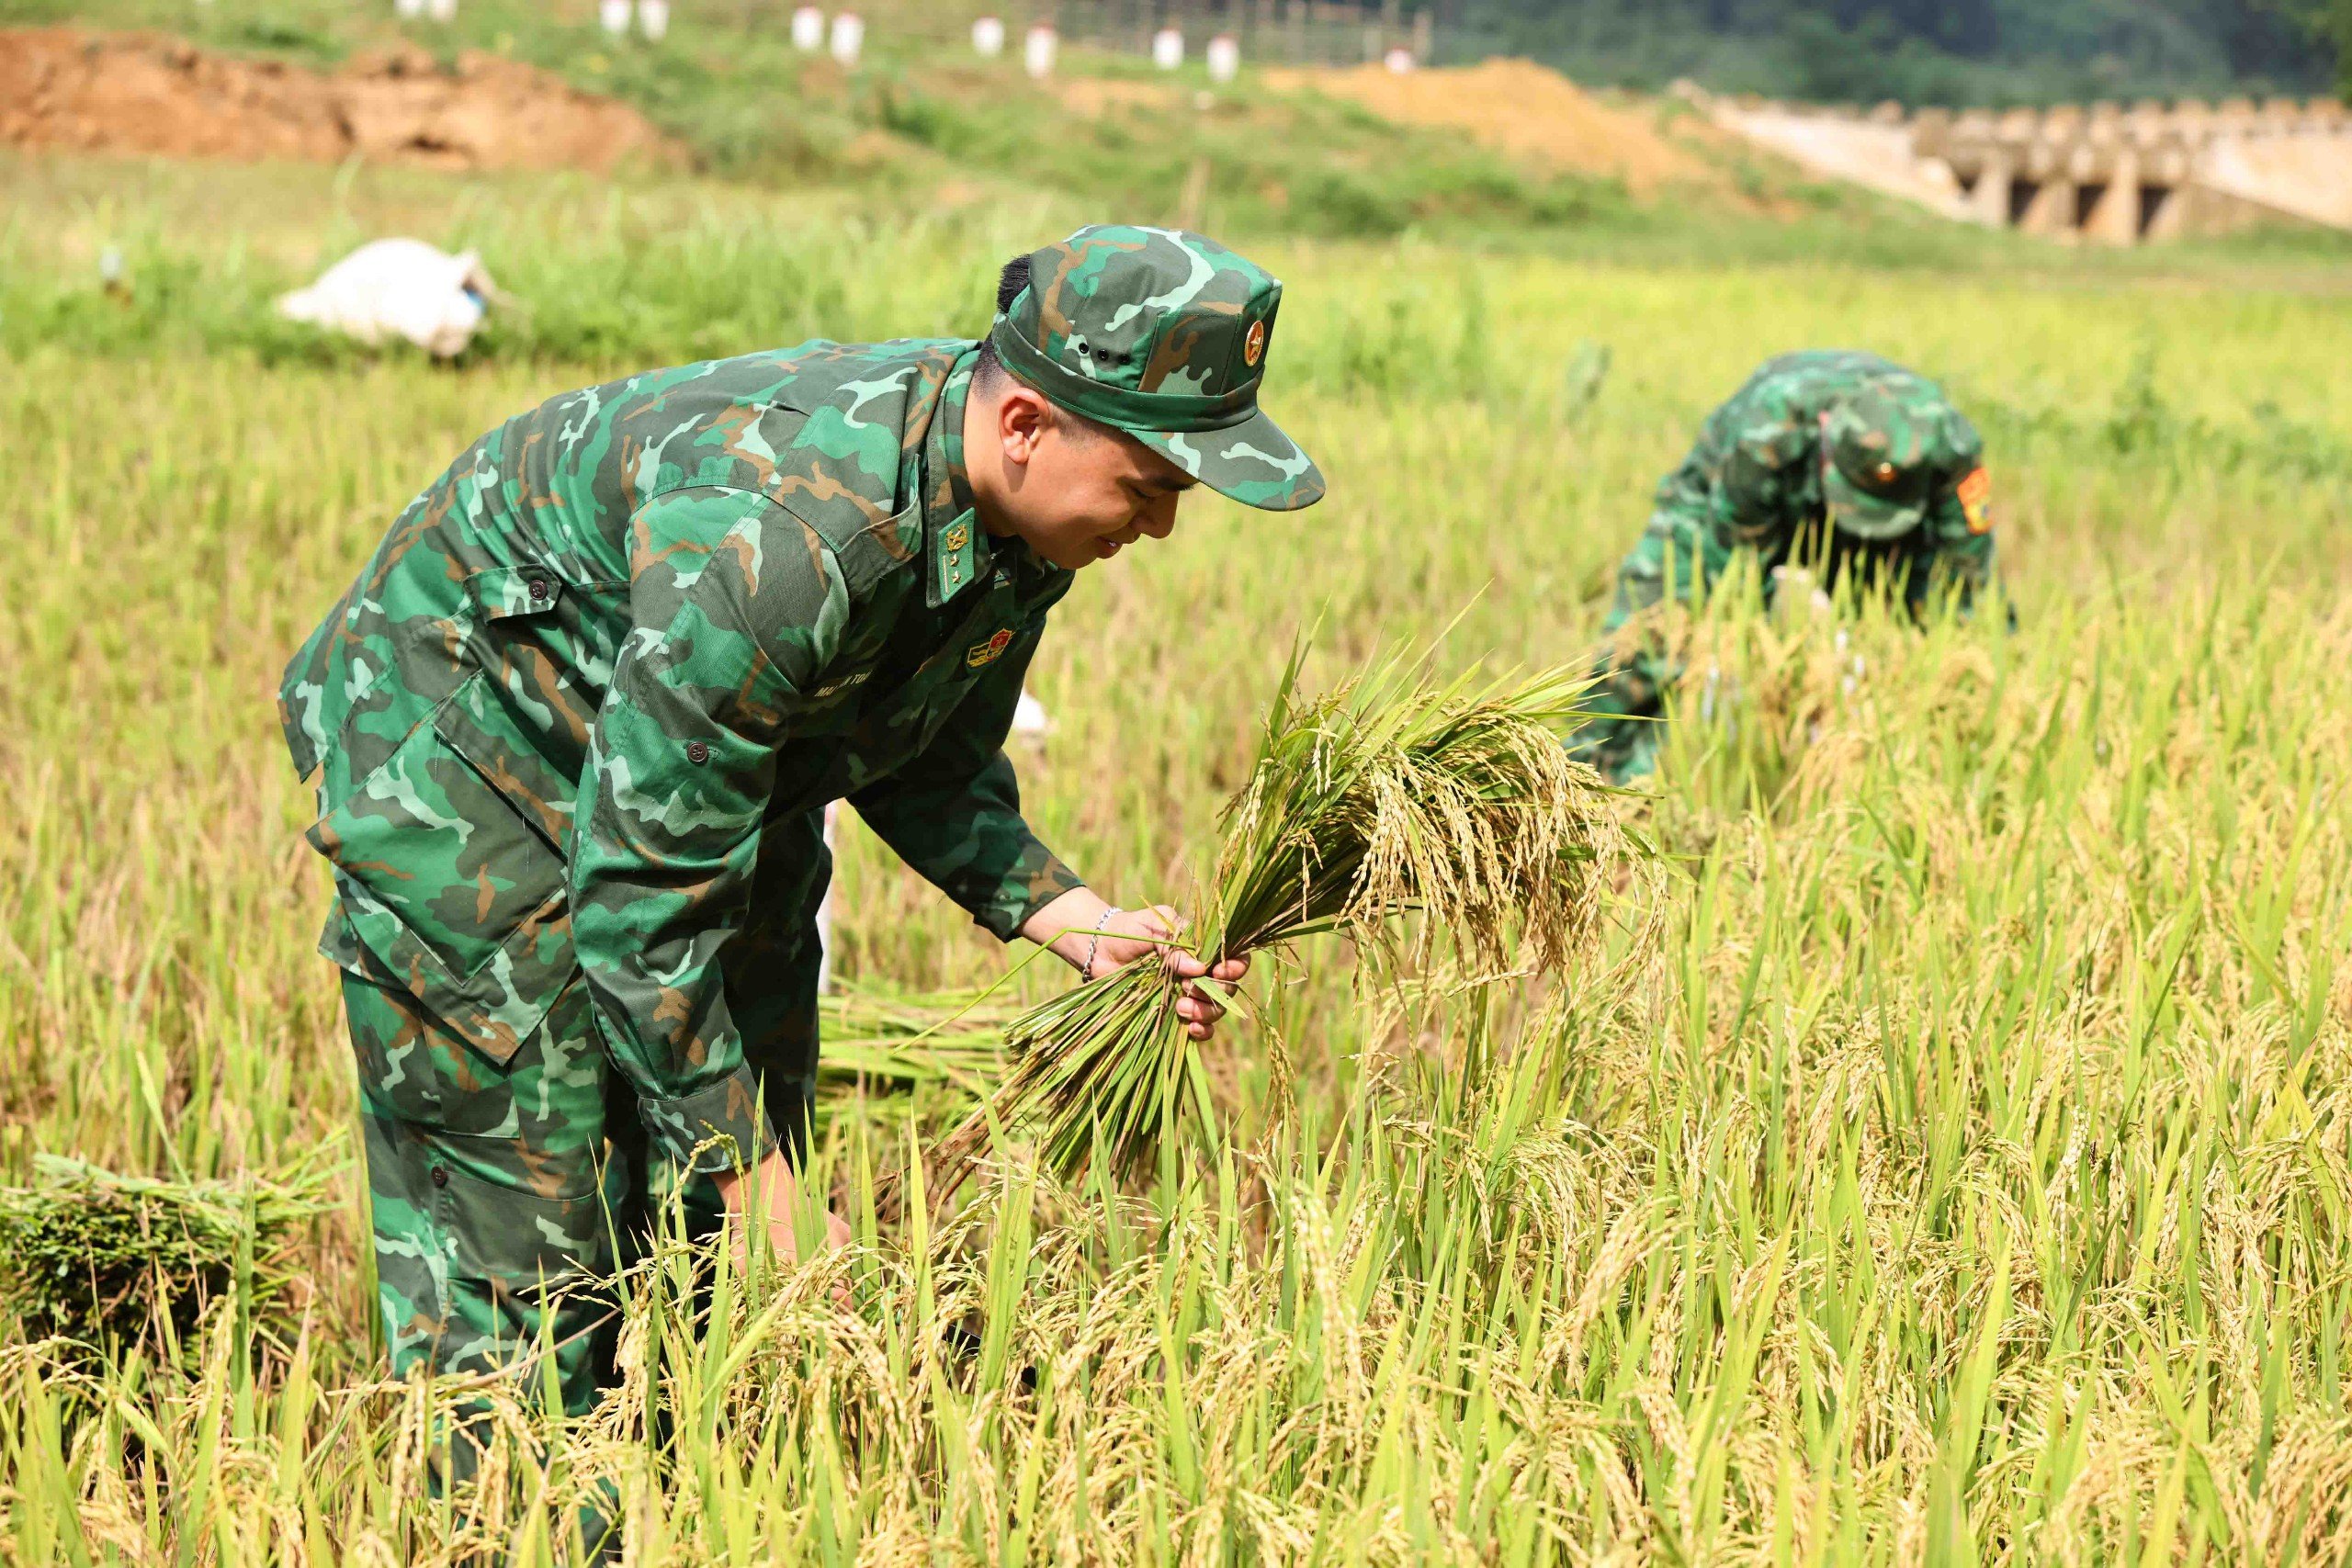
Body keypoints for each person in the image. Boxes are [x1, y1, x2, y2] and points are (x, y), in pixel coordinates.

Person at [276, 225, 1323, 1418]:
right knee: (540, 1223)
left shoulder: (1020, 510)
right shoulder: (783, 544)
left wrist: (1078, 921)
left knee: (732, 1133)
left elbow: (928, 758)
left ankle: (672, 1468)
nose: (1162, 528)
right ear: (1026, 426)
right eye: (1150, 489)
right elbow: (637, 907)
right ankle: (510, 1501)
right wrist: (747, 1175)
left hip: (699, 753)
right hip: (471, 749)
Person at [1568, 349, 2000, 784]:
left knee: (1920, 646)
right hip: (1733, 495)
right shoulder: (1769, 428)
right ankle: (1583, 773)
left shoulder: (1953, 450)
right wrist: (1750, 650)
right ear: (1827, 441)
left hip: (1891, 520)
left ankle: (1887, 778)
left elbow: (1965, 587)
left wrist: (1954, 670)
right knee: (1659, 630)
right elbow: (1728, 571)